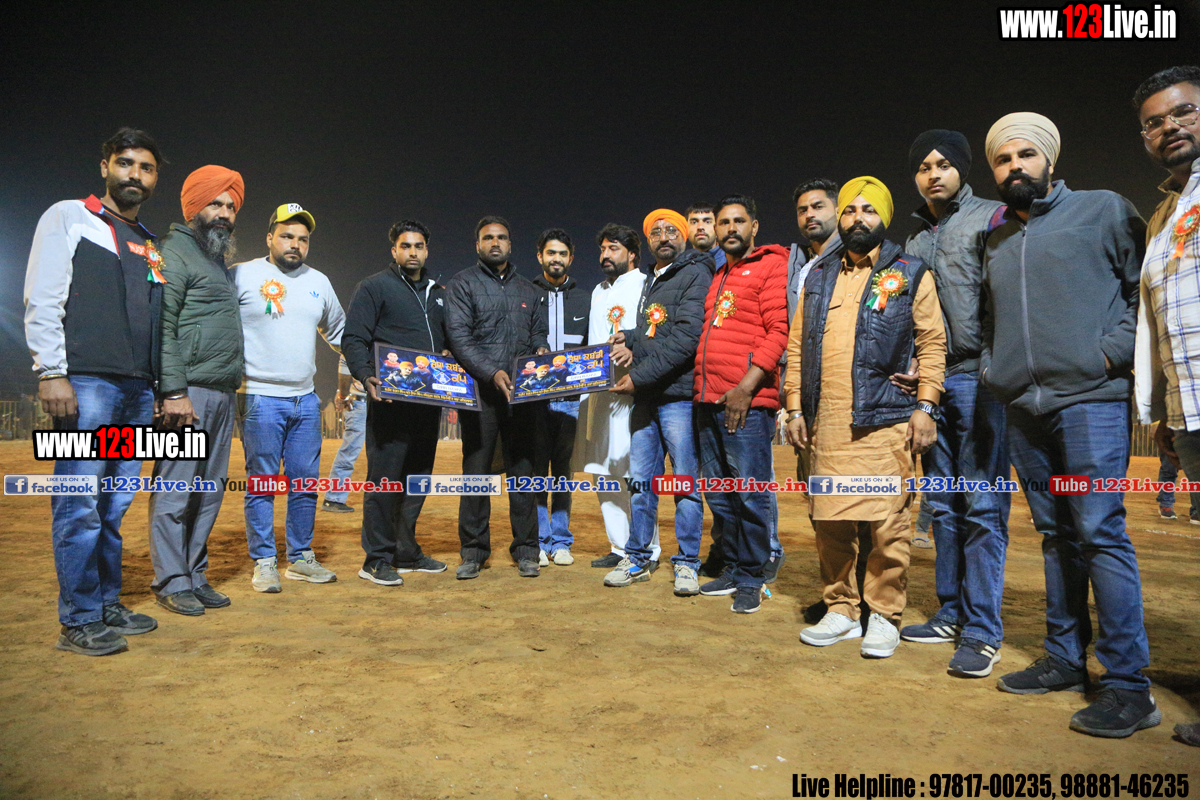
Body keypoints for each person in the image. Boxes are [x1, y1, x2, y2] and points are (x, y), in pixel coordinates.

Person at [982, 112, 1157, 738]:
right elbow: (990, 317)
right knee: (1055, 535)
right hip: (1023, 409)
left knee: (1099, 531)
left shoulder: (1103, 210)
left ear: (1050, 160)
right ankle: (1064, 657)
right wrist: (996, 372)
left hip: (1089, 401)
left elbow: (1143, 290)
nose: (1015, 167)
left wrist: (1107, 354)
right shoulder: (997, 239)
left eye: (1026, 154)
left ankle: (1129, 686)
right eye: (1003, 159)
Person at [786, 177, 946, 654]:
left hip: (886, 419)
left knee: (887, 524)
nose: (858, 218)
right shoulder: (818, 276)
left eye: (869, 210)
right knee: (830, 521)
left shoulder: (911, 272)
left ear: (884, 218)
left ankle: (884, 616)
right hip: (826, 423)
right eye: (850, 210)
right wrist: (793, 407)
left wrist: (926, 406)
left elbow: (932, 343)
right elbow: (796, 348)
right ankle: (841, 610)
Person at [24, 127, 164, 655]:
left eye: (146, 168)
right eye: (125, 163)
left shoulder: (147, 241)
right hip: (86, 383)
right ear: (105, 166)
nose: (135, 175)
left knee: (114, 503)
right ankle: (79, 619)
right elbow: (43, 295)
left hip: (136, 390)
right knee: (79, 502)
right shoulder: (70, 216)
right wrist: (50, 371)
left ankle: (106, 603)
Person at [899, 129, 1012, 679]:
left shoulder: (992, 217)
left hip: (980, 378)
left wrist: (994, 367)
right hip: (936, 383)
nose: (933, 174)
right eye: (924, 167)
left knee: (984, 506)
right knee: (943, 506)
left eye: (943, 164)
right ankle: (950, 612)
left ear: (962, 169)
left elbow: (1005, 298)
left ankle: (983, 631)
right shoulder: (915, 239)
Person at [1129, 65, 1200, 748]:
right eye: (1154, 122)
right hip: (1191, 407)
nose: (1169, 127)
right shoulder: (1164, 215)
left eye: (1183, 112)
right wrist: (1165, 414)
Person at [148, 165, 246, 616]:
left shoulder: (213, 258)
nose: (224, 213)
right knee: (175, 490)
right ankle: (171, 580)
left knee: (208, 493)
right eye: (215, 203)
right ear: (193, 207)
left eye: (230, 206)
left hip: (221, 393)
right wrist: (173, 391)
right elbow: (163, 327)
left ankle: (194, 573)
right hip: (187, 393)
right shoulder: (173, 252)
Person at [235, 204, 345, 592]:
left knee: (304, 484)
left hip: (305, 400)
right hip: (258, 397)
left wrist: (375, 364)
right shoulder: (242, 274)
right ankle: (265, 562)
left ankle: (300, 558)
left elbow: (341, 333)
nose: (295, 244)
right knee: (263, 483)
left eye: (303, 239)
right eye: (286, 236)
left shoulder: (319, 282)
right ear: (269, 238)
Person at [604, 210, 712, 596]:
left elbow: (686, 338)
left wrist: (639, 377)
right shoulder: (654, 277)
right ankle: (638, 557)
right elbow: (657, 329)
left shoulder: (695, 273)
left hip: (677, 398)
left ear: (684, 236)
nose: (663, 237)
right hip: (647, 399)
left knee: (685, 484)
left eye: (671, 230)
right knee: (641, 484)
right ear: (648, 241)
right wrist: (628, 337)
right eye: (655, 232)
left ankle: (686, 563)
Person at [692, 195, 789, 614]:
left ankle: (752, 576)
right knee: (719, 493)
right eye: (724, 222)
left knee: (750, 493)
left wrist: (746, 388)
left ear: (754, 227)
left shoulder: (771, 265)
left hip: (745, 402)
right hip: (708, 399)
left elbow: (780, 331)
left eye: (739, 221)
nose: (731, 228)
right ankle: (733, 566)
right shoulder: (718, 275)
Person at [341, 219, 449, 585]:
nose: (412, 252)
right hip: (390, 402)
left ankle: (405, 551)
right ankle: (376, 558)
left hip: (428, 404)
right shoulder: (374, 287)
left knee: (417, 480)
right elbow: (353, 338)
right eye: (405, 246)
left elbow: (446, 340)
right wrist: (365, 374)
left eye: (418, 246)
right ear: (394, 251)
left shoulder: (438, 293)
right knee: (385, 480)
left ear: (426, 250)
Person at [444, 216, 549, 579]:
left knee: (523, 472)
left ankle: (527, 550)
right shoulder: (462, 284)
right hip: (481, 395)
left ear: (509, 244)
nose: (495, 243)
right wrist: (491, 372)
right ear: (478, 245)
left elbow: (538, 332)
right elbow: (459, 337)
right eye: (488, 238)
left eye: (501, 237)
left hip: (521, 397)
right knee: (476, 473)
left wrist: (541, 348)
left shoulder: (529, 290)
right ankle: (474, 551)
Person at [574, 224, 661, 571]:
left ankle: (647, 548)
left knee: (632, 472)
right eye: (602, 249)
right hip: (596, 394)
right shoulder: (598, 290)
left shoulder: (645, 285)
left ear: (632, 254)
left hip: (630, 391)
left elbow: (654, 334)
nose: (605, 255)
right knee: (602, 470)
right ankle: (619, 544)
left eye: (613, 249)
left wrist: (636, 361)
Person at [531, 228, 588, 566]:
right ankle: (539, 539)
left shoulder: (585, 299)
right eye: (550, 253)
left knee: (563, 471)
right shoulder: (526, 294)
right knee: (537, 469)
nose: (556, 259)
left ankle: (562, 540)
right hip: (535, 399)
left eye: (562, 254)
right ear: (540, 256)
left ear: (570, 258)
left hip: (571, 399)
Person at [320, 356, 367, 513]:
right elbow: (345, 362)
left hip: (368, 401)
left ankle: (334, 498)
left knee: (352, 451)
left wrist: (342, 393)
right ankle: (333, 498)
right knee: (350, 451)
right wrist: (342, 393)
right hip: (361, 401)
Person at [685, 202, 726, 269]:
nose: (700, 227)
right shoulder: (681, 264)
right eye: (694, 222)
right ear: (686, 228)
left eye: (707, 222)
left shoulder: (730, 262)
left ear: (717, 227)